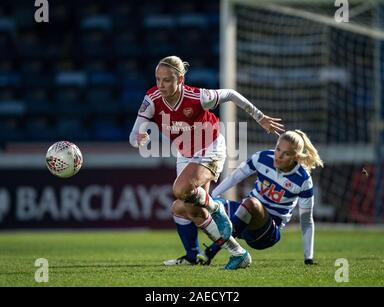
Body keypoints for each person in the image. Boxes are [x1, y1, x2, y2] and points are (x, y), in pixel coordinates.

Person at [129, 55, 284, 269]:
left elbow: (230, 94)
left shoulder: (198, 97)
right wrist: (138, 139)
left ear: (180, 79)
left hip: (210, 147)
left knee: (181, 189)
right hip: (185, 153)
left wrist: (259, 117)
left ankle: (217, 209)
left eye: (167, 80)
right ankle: (235, 253)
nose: (161, 85)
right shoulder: (152, 99)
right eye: (158, 79)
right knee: (185, 209)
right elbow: (133, 134)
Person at [197, 130, 324, 266]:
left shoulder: (303, 180)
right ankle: (191, 255)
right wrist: (211, 197)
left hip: (266, 234)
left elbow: (306, 220)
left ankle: (211, 251)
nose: (278, 156)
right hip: (244, 215)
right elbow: (235, 177)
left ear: (296, 157)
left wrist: (308, 258)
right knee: (190, 205)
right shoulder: (262, 158)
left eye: (286, 153)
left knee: (251, 203)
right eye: (278, 149)